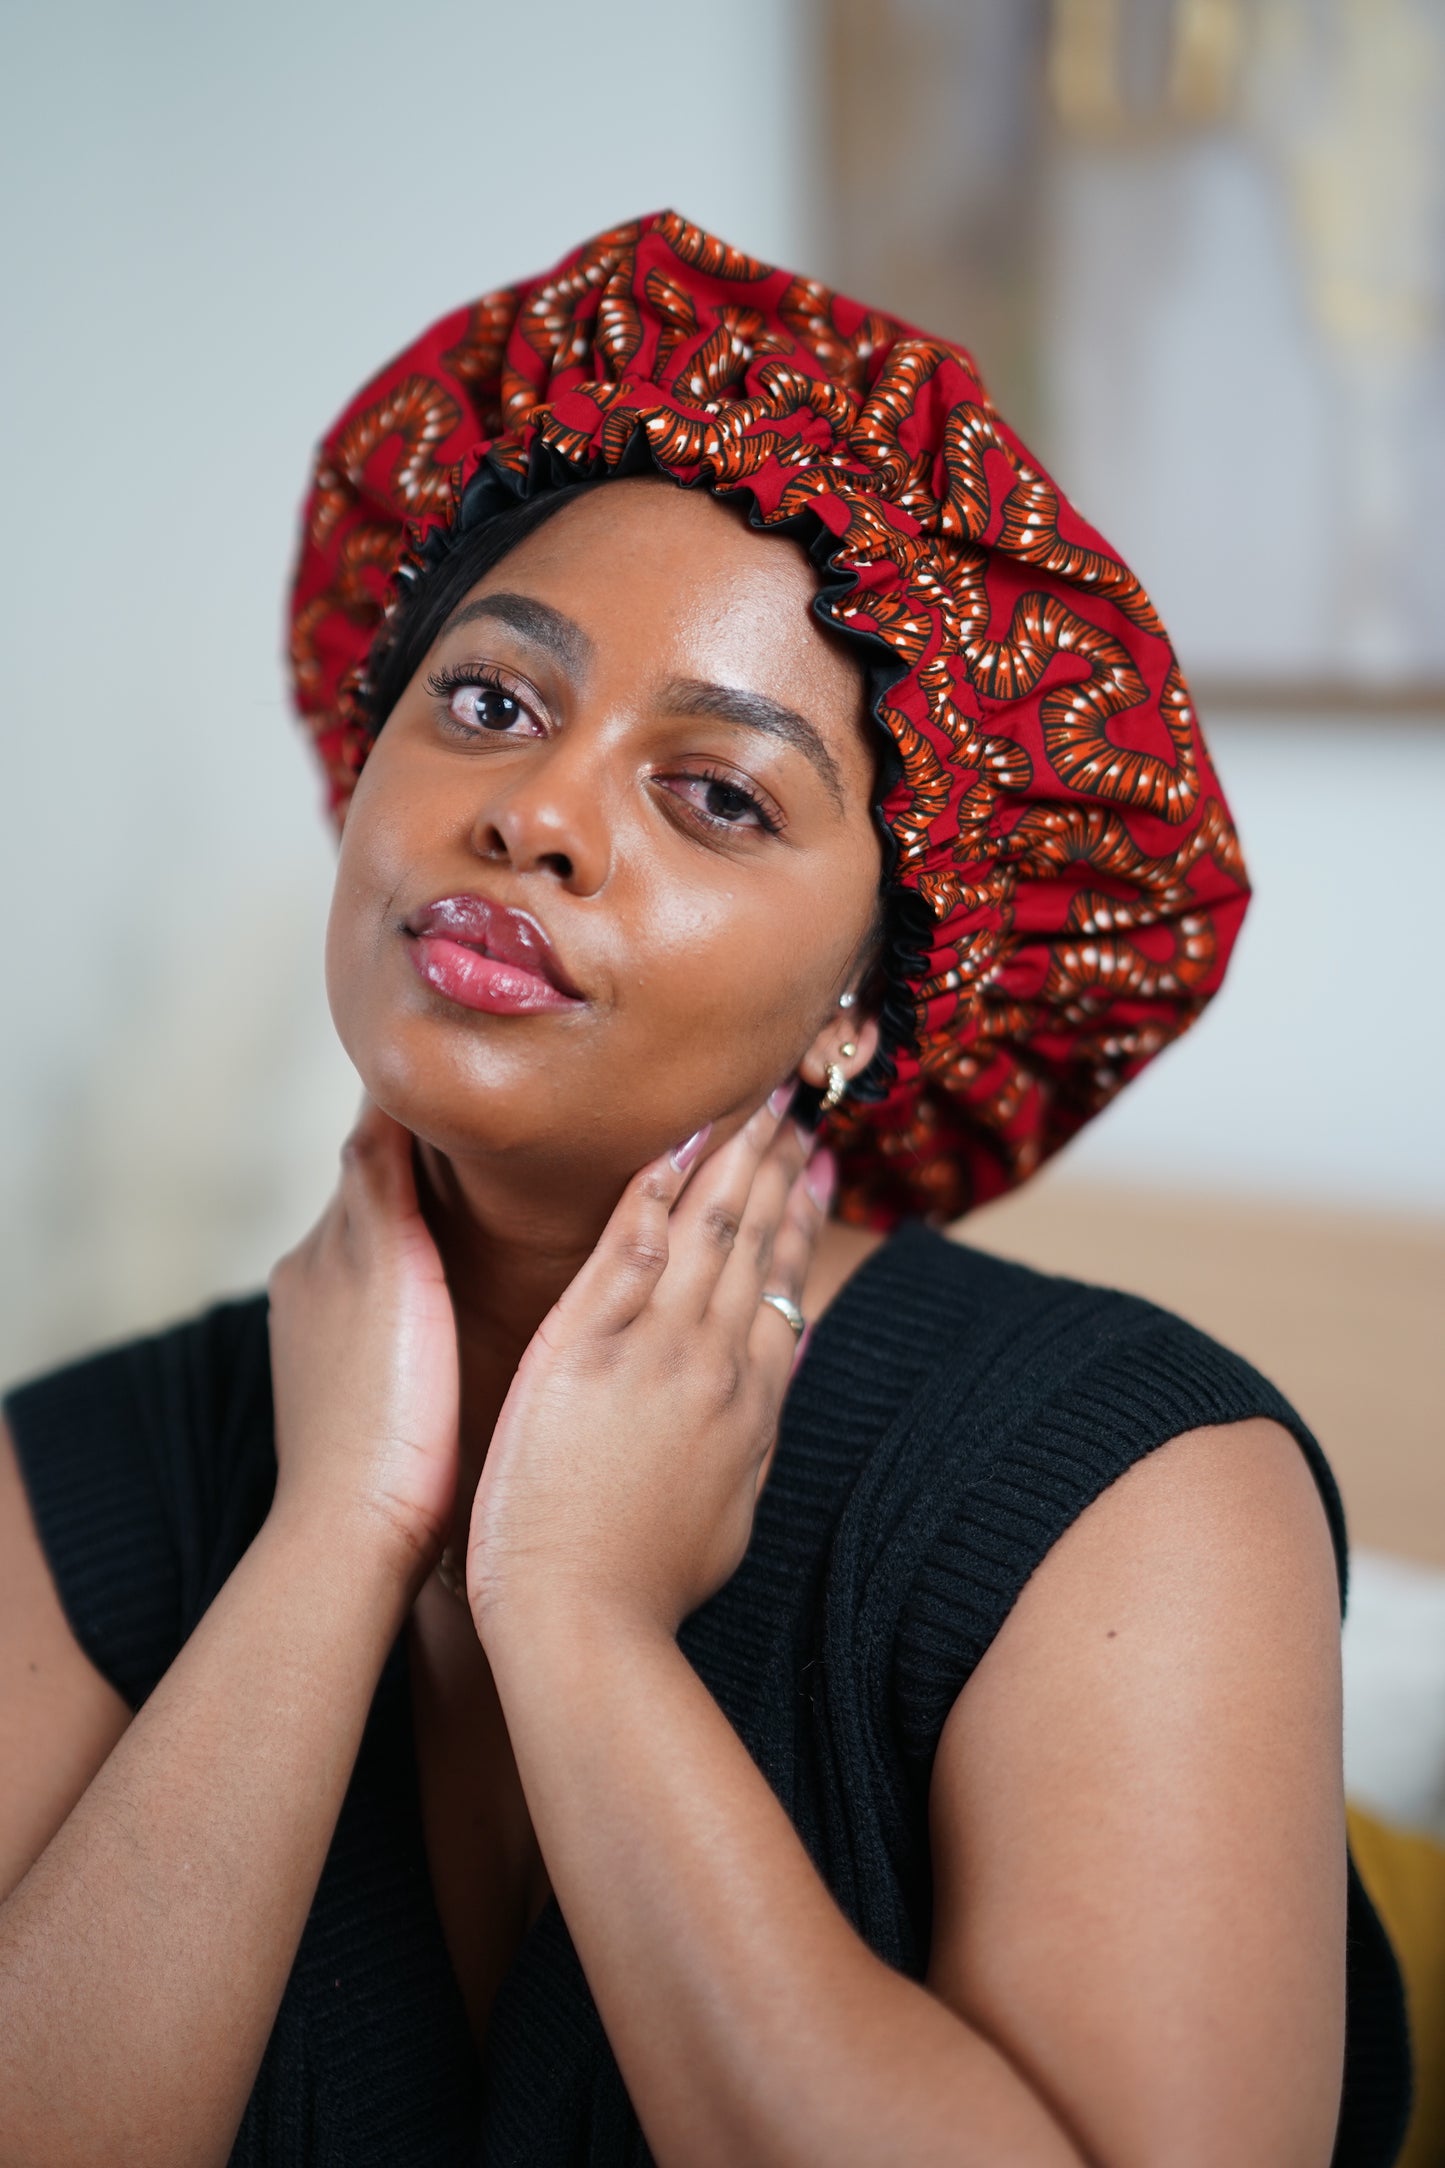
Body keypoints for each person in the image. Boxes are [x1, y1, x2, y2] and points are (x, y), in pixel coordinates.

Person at [0, 212, 1411, 2166]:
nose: (535, 813)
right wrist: (336, 1534)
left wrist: (573, 1617)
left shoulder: (1136, 1491)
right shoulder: (83, 1471)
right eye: (491, 699)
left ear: (869, 999)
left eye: (720, 791)